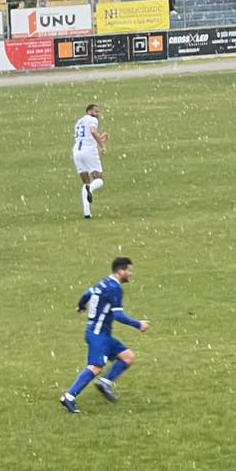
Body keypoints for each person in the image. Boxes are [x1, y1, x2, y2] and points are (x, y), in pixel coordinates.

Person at [60, 257, 150, 414]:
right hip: (98, 336)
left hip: (102, 334)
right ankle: (69, 397)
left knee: (128, 357)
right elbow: (119, 315)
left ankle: (105, 383)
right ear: (120, 271)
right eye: (129, 270)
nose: (130, 274)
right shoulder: (115, 288)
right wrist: (139, 324)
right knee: (95, 368)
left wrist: (81, 306)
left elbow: (87, 293)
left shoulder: (103, 282)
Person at [72, 104, 109, 219]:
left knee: (85, 182)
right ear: (88, 111)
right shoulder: (92, 120)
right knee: (99, 179)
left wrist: (100, 138)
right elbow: (93, 131)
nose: (97, 114)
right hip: (89, 151)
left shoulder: (79, 122)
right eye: (95, 112)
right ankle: (90, 189)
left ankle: (87, 213)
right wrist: (102, 145)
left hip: (77, 152)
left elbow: (85, 137)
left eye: (98, 112)